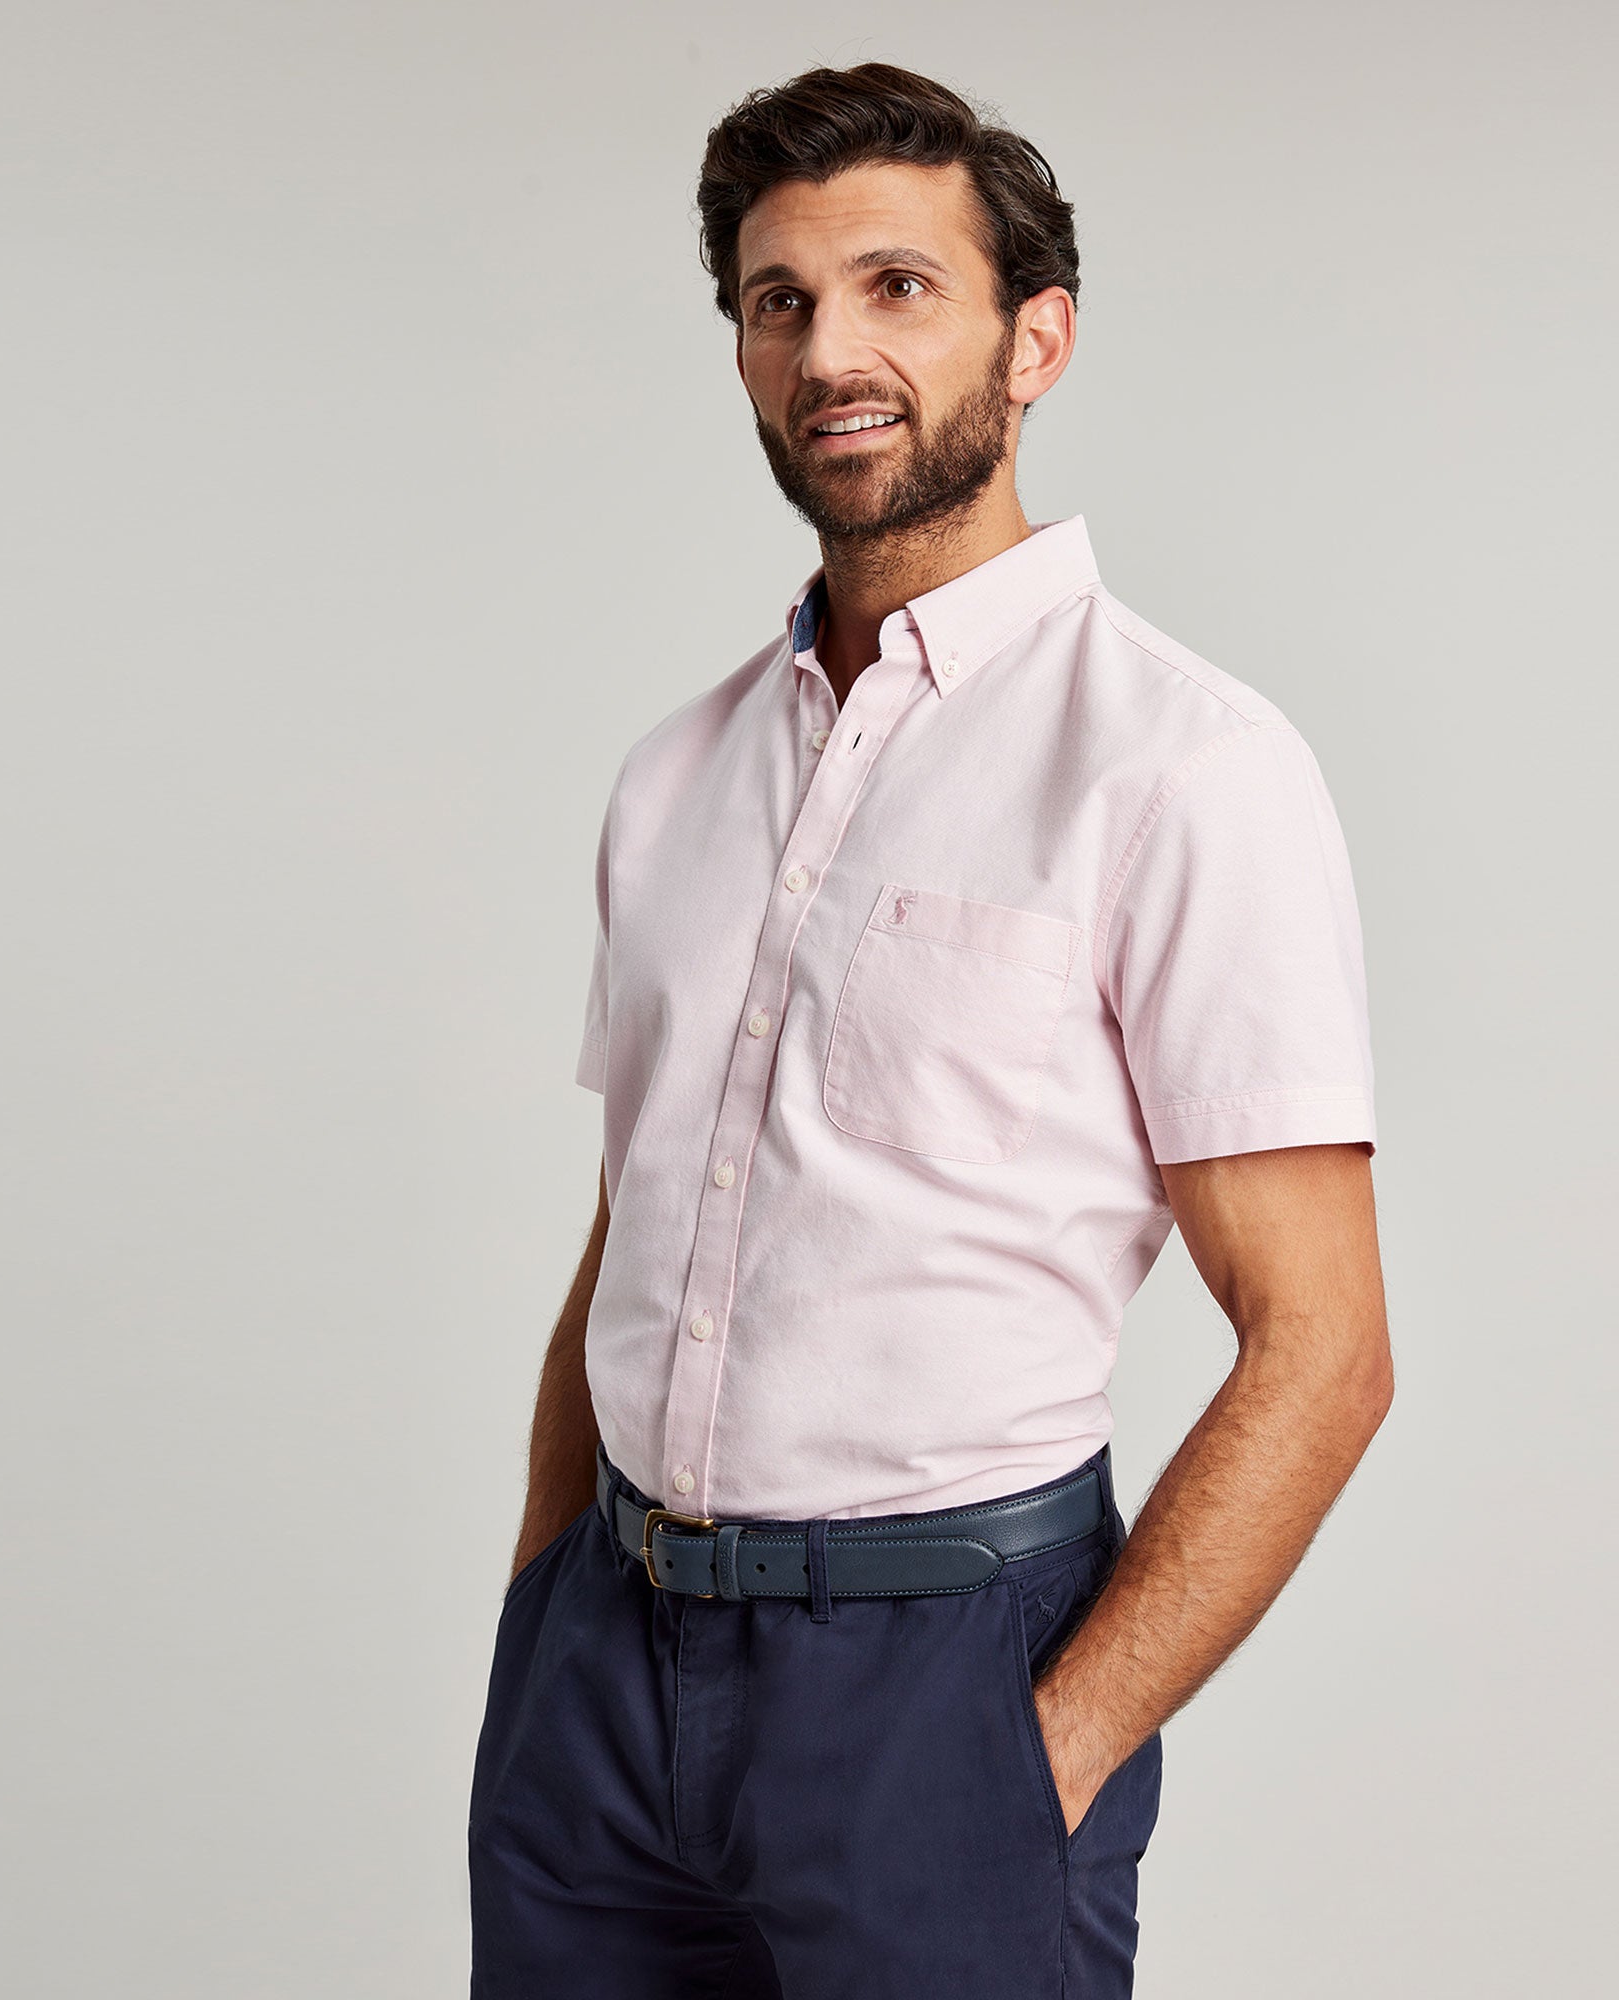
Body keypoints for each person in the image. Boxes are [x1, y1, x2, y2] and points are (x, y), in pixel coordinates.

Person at [467, 60, 1393, 1999]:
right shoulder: (676, 773)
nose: (831, 353)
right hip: (603, 1677)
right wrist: (543, 1609)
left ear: (1034, 338)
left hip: (943, 1671)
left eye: (898, 287)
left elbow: (1323, 1349)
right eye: (779, 299)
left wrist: (1042, 1756)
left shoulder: (1180, 767)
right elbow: (639, 1220)